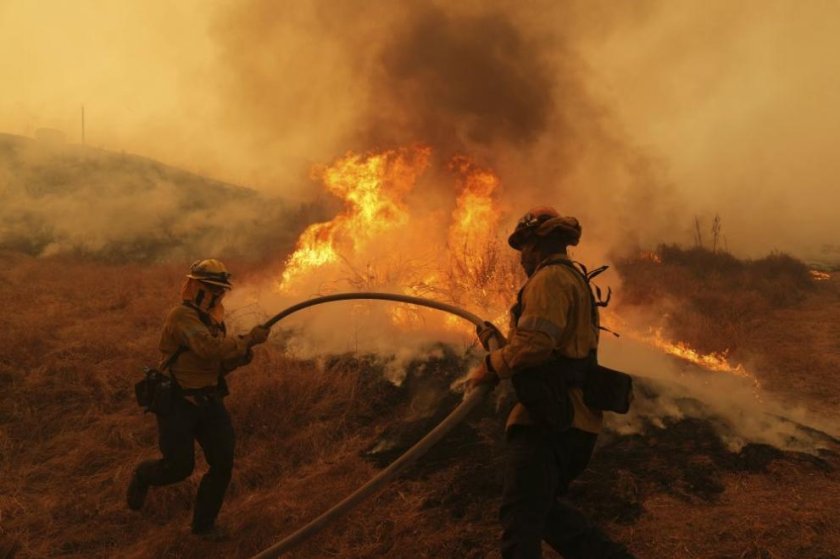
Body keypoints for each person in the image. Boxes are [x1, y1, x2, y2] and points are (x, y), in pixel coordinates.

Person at [468, 208, 634, 559]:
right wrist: (498, 340)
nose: (521, 258)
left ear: (538, 244)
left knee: (521, 520)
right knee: (544, 514)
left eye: (524, 248)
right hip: (572, 419)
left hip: (550, 419)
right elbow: (545, 342)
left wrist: (491, 366)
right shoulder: (571, 278)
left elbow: (536, 344)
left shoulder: (549, 279)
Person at [127, 259, 270, 537]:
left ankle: (203, 527)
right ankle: (143, 475)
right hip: (178, 404)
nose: (216, 295)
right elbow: (207, 349)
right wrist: (248, 341)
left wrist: (241, 355)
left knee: (222, 464)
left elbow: (218, 363)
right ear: (195, 286)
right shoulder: (181, 316)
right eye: (210, 287)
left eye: (220, 289)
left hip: (209, 402)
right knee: (179, 468)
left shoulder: (215, 322)